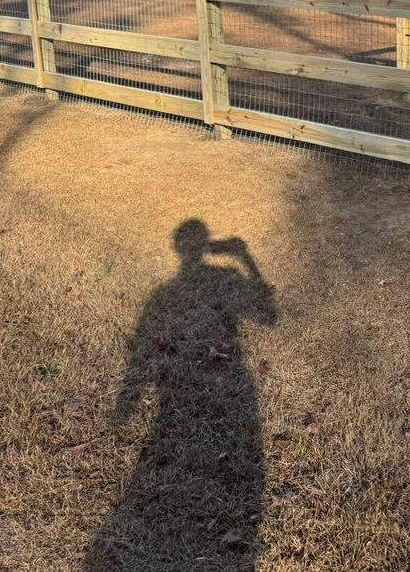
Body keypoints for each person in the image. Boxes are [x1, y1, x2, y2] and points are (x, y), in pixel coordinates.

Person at [85, 220, 278, 571]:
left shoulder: (162, 295)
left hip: (184, 400)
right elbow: (269, 314)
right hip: (232, 388)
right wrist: (245, 257)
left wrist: (126, 401)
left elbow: (141, 354)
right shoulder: (224, 277)